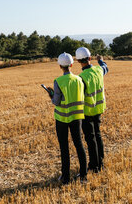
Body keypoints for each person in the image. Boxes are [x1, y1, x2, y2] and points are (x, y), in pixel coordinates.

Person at [47, 52, 87, 185]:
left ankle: (65, 177)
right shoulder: (79, 80)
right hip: (77, 116)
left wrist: (51, 95)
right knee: (79, 144)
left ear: (60, 66)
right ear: (71, 64)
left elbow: (56, 102)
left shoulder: (58, 81)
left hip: (62, 118)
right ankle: (83, 175)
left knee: (64, 147)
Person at [75, 47, 108, 172]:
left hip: (87, 112)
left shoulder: (81, 78)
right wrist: (100, 61)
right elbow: (106, 67)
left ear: (78, 61)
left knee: (90, 139)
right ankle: (101, 162)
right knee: (98, 135)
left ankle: (94, 165)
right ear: (90, 58)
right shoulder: (99, 70)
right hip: (99, 109)